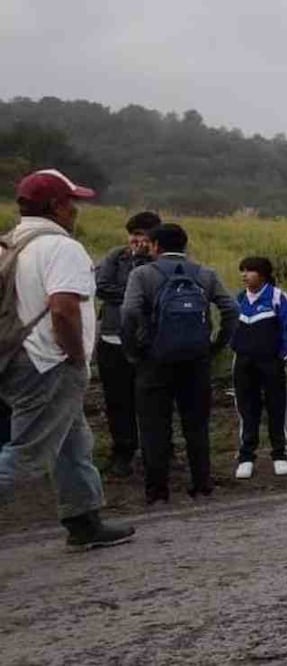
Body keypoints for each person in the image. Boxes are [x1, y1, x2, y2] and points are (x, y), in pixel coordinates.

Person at [0, 169, 134, 550]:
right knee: (25, 456)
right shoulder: (62, 248)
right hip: (50, 362)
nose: (75, 210)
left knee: (72, 439)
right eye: (71, 202)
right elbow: (63, 310)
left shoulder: (10, 243)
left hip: (15, 358)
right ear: (56, 206)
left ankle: (83, 520)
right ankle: (83, 519)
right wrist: (75, 356)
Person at [120, 223, 238, 504]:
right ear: (185, 246)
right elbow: (231, 309)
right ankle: (202, 485)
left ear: (155, 246)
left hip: (154, 360)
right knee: (196, 425)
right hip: (196, 360)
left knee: (153, 427)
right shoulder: (205, 274)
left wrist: (134, 351)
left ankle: (157, 492)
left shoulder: (142, 274)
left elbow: (129, 313)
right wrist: (215, 346)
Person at [95, 211, 161, 478]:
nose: (136, 240)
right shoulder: (116, 257)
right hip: (113, 338)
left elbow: (160, 294)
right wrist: (136, 294)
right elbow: (102, 287)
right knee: (117, 399)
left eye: (142, 236)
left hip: (148, 342)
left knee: (152, 399)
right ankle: (123, 451)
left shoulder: (161, 261)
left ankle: (156, 452)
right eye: (133, 235)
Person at [231, 257, 287, 479]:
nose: (244, 275)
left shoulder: (278, 297)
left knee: (276, 408)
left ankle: (280, 455)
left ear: (262, 274)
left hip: (271, 363)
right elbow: (232, 327)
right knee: (246, 409)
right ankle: (246, 457)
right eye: (243, 271)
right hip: (244, 363)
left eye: (249, 271)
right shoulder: (239, 299)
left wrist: (282, 358)